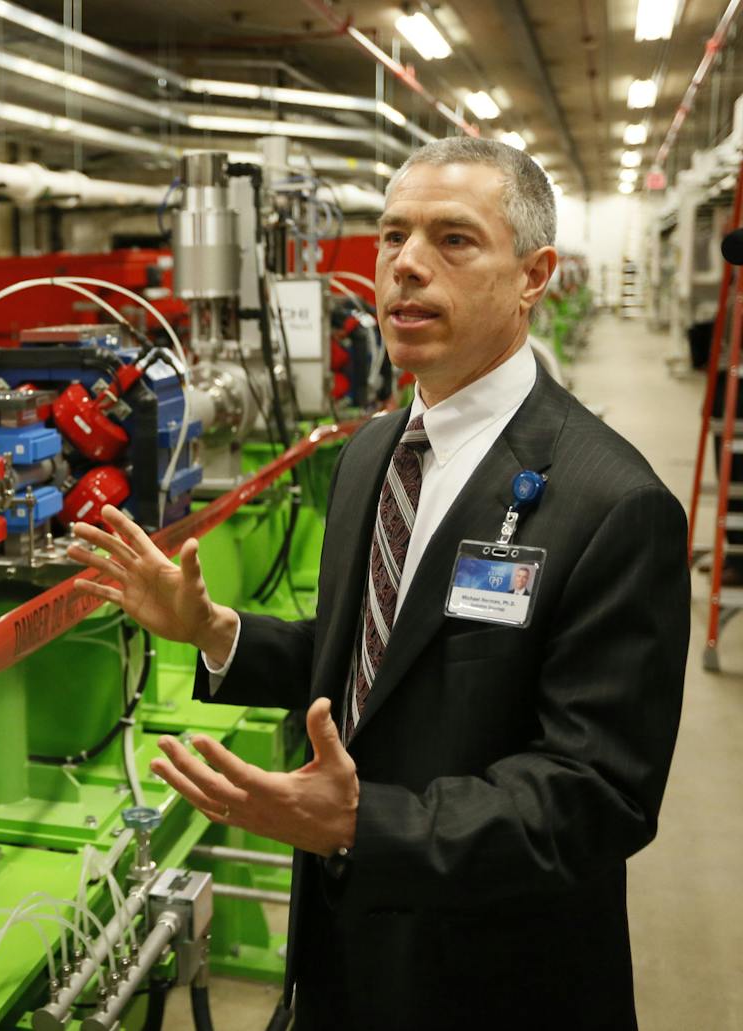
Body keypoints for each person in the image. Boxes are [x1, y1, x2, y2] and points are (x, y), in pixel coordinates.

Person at [67, 138, 689, 1031]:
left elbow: (596, 793)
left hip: (494, 981)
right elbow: (369, 655)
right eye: (392, 237)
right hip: (344, 959)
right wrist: (214, 628)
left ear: (534, 275)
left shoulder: (613, 503)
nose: (406, 266)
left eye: (454, 240)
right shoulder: (372, 453)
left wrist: (367, 824)